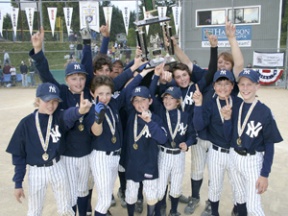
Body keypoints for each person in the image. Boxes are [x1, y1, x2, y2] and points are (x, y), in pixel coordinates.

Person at [6, 82, 92, 216]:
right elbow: (19, 156)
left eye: (55, 101)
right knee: (34, 210)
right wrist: (18, 183)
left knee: (66, 208)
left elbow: (69, 115)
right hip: (36, 171)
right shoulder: (26, 123)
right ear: (37, 101)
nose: (51, 105)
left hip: (57, 166)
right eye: (47, 101)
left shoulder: (58, 117)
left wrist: (80, 111)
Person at [223, 69, 283, 215]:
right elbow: (228, 136)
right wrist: (227, 120)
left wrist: (264, 174)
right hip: (233, 156)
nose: (245, 88)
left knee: (253, 207)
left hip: (252, 161)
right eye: (242, 84)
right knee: (240, 197)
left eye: (249, 84)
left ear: (257, 86)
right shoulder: (236, 106)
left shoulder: (264, 111)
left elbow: (269, 145)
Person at [192, 70, 246, 216]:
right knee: (215, 187)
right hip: (216, 152)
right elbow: (198, 126)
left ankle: (237, 211)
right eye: (219, 84)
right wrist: (198, 104)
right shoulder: (209, 103)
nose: (223, 87)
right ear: (214, 86)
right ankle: (214, 213)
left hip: (235, 153)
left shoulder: (240, 103)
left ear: (232, 85)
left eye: (226, 83)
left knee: (239, 187)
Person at [150, 64, 197, 216]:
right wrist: (157, 76)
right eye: (166, 98)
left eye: (172, 98)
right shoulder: (160, 112)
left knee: (176, 185)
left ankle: (174, 211)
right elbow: (151, 95)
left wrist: (187, 143)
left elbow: (192, 136)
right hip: (163, 154)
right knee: (161, 184)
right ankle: (160, 207)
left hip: (179, 155)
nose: (168, 101)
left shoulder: (185, 116)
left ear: (178, 101)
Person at [123, 80, 168, 216]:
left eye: (143, 100)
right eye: (136, 100)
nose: (140, 104)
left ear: (150, 101)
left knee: (151, 194)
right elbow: (125, 92)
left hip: (149, 163)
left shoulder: (156, 119)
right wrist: (139, 74)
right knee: (131, 193)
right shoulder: (131, 115)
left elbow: (163, 139)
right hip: (132, 164)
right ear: (132, 103)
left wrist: (150, 122)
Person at [87, 75, 127, 216]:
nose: (104, 97)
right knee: (104, 200)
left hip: (114, 156)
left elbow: (129, 87)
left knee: (106, 196)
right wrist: (98, 119)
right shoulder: (92, 109)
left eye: (108, 93)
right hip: (101, 156)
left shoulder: (112, 105)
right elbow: (96, 132)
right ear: (93, 93)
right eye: (100, 94)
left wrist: (141, 70)